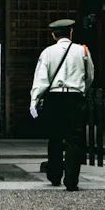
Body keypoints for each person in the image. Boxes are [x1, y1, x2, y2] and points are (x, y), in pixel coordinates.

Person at [29, 18, 94, 191]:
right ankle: (72, 180)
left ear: (53, 35)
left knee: (55, 136)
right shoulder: (83, 51)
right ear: (71, 33)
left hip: (55, 98)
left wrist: (34, 101)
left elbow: (41, 79)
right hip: (76, 97)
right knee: (75, 140)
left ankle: (55, 175)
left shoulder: (47, 53)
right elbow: (89, 76)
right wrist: (81, 90)